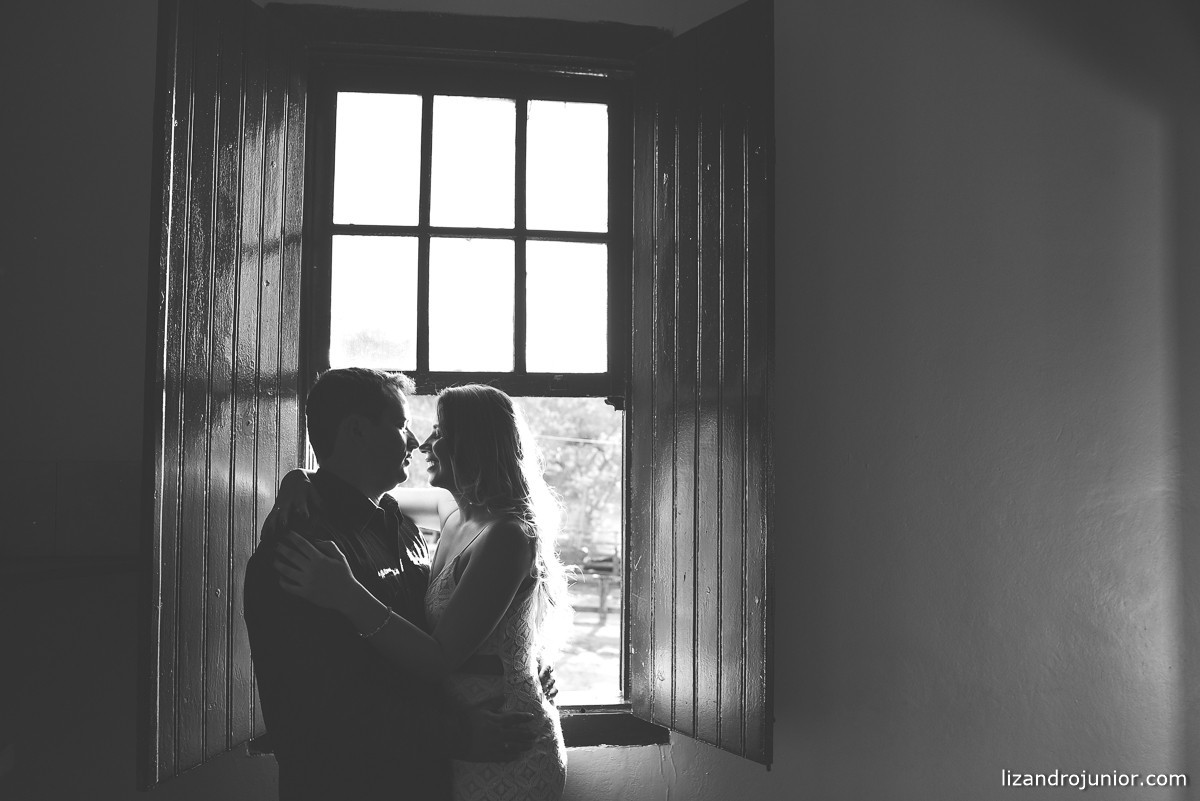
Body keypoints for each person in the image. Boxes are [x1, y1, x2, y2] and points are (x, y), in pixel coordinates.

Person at [244, 369, 536, 801]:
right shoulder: (300, 548)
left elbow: (438, 638)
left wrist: (519, 663)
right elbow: (323, 705)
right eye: (402, 424)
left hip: (429, 779)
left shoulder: (400, 526)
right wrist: (456, 733)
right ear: (357, 431)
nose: (416, 441)